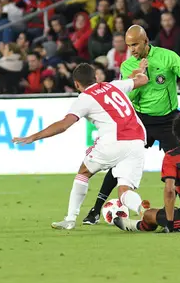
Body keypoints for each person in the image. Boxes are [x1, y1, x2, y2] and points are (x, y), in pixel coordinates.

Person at [83, 25, 180, 225]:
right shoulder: (128, 66)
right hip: (140, 120)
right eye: (129, 45)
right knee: (118, 162)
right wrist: (140, 78)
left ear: (146, 41)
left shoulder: (167, 57)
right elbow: (126, 97)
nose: (132, 49)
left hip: (168, 120)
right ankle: (96, 209)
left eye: (136, 45)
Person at [13, 63, 150, 230]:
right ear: (96, 78)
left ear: (76, 84)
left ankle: (70, 219)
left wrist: (34, 137)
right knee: (124, 191)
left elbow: (64, 125)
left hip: (114, 140)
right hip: (137, 140)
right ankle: (143, 210)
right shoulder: (113, 85)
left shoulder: (85, 97)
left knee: (84, 172)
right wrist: (139, 72)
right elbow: (142, 80)